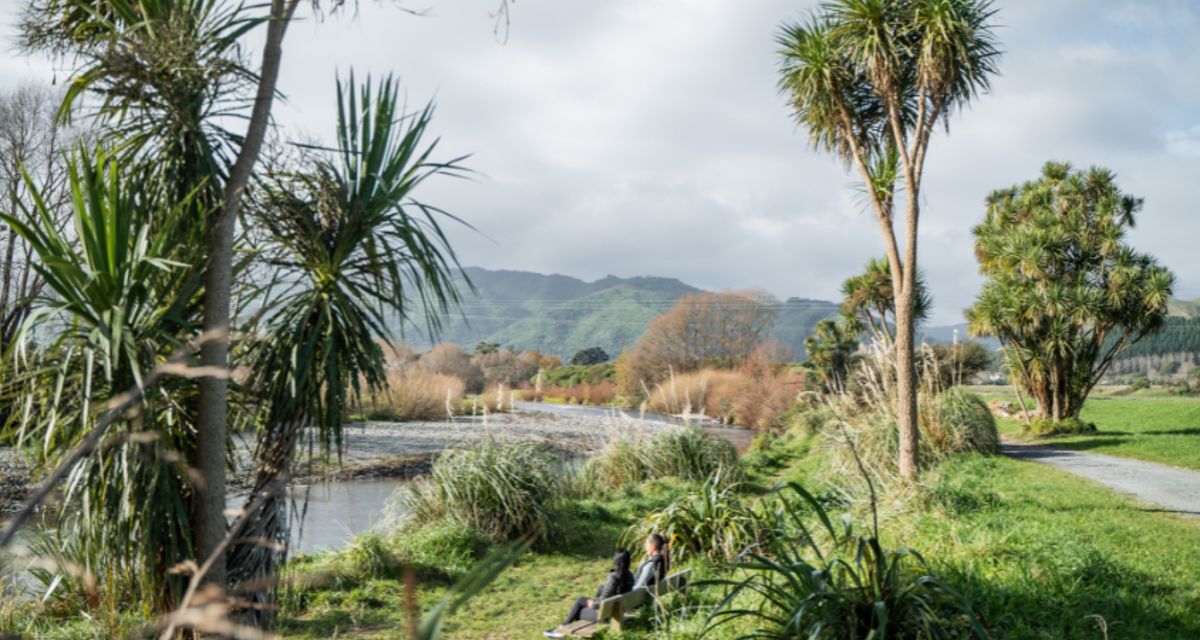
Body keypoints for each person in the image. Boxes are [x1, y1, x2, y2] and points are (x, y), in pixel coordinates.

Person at [543, 548, 634, 638]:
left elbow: (602, 603)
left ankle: (562, 629)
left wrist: (593, 604)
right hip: (617, 612)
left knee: (578, 609)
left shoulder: (613, 577)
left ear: (615, 561)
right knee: (581, 599)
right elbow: (613, 595)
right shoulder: (630, 576)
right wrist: (598, 599)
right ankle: (563, 627)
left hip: (606, 617)